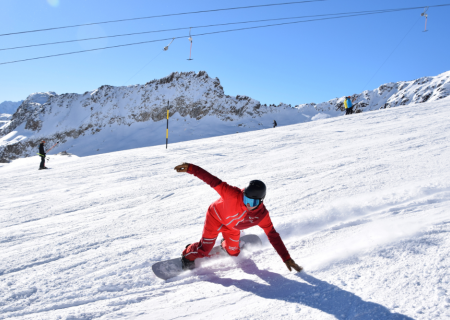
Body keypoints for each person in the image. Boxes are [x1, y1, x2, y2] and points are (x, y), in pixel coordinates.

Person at [174, 163, 302, 273]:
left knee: (234, 253)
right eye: (246, 199)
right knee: (204, 250)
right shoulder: (232, 194)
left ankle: (225, 244)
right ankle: (187, 254)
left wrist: (286, 258)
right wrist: (190, 168)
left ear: (261, 201)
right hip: (214, 218)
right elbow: (212, 180)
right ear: (244, 193)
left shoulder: (262, 216)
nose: (247, 205)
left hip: (231, 227)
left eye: (252, 203)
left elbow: (273, 235)